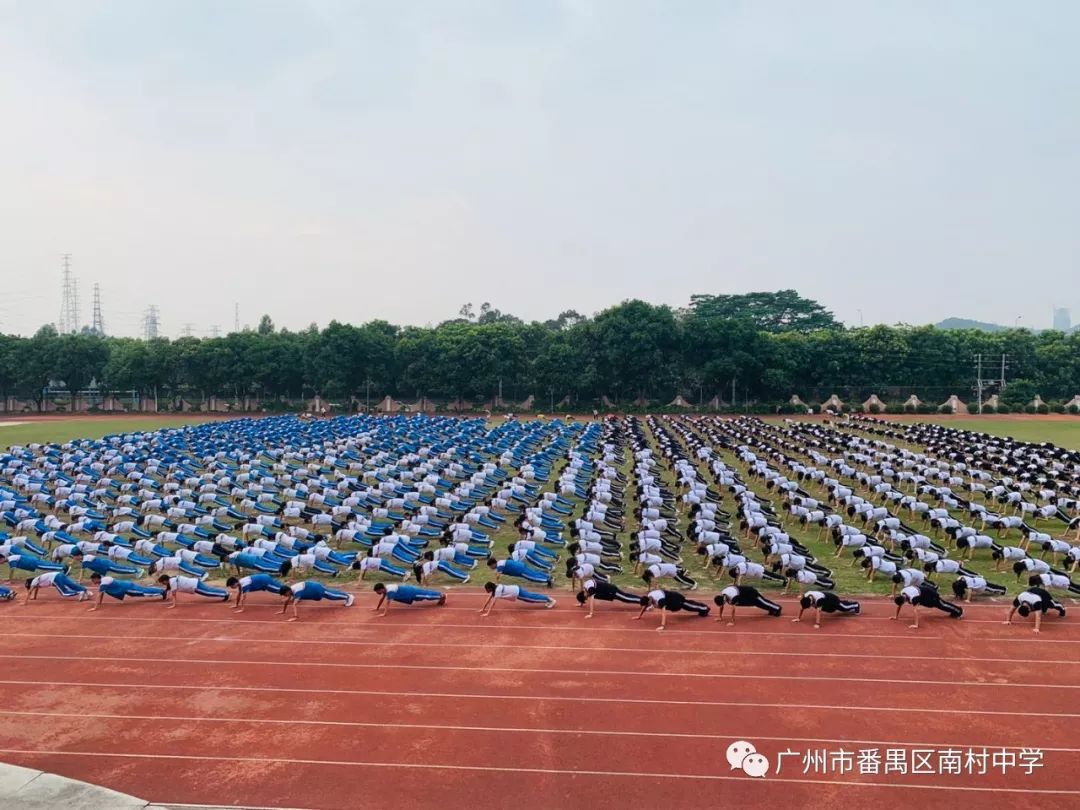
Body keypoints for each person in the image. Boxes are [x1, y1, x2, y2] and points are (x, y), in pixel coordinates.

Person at [892, 584, 963, 628]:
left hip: (931, 593)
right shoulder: (902, 592)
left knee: (941, 604)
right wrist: (896, 616)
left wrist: (916, 625)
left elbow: (915, 611)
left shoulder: (913, 597)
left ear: (904, 600)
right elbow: (899, 605)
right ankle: (954, 611)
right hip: (923, 595)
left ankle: (959, 611)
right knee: (932, 605)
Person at [634, 589, 710, 630]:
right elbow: (645, 605)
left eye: (648, 605)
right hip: (670, 601)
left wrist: (662, 626)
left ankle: (705, 608)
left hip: (676, 599)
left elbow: (663, 613)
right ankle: (703, 609)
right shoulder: (649, 596)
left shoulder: (660, 600)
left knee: (689, 606)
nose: (647, 606)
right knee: (689, 605)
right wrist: (639, 616)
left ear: (649, 601)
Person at [279, 580, 354, 621]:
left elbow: (294, 604)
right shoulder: (291, 590)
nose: (285, 596)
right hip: (312, 589)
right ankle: (347, 596)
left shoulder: (297, 591)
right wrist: (283, 611)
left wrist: (295, 616)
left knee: (331, 595)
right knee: (330, 594)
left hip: (315, 588)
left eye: (285, 594)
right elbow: (287, 600)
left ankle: (348, 596)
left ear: (287, 591)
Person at [87, 573, 165, 610]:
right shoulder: (104, 581)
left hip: (126, 587)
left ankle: (162, 591)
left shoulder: (104, 582)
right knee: (142, 592)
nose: (93, 581)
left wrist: (95, 607)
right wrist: (99, 603)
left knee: (143, 592)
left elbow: (99, 594)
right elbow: (102, 593)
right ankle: (160, 591)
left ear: (97, 578)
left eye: (93, 579)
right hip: (125, 587)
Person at [713, 584, 782, 625]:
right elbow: (721, 606)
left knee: (762, 602)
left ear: (724, 600)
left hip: (751, 592)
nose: (723, 605)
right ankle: (771, 609)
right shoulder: (723, 594)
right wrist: (720, 617)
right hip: (743, 595)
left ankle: (778, 608)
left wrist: (732, 621)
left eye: (723, 603)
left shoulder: (733, 596)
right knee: (757, 604)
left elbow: (733, 609)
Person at [479, 581, 556, 615]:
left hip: (517, 592)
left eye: (487, 589)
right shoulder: (495, 588)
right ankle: (547, 599)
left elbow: (493, 602)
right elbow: (489, 599)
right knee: (531, 598)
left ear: (490, 588)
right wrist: (483, 609)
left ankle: (550, 600)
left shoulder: (498, 590)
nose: (487, 591)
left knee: (531, 598)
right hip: (516, 591)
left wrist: (487, 613)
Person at [576, 579, 643, 618]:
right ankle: (642, 600)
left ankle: (643, 601)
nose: (587, 597)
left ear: (584, 594)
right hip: (608, 591)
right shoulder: (585, 586)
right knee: (625, 597)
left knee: (625, 598)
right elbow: (583, 595)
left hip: (611, 591)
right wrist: (581, 603)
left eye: (586, 598)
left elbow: (591, 600)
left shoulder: (590, 589)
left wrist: (591, 614)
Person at [792, 591, 861, 628]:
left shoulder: (819, 599)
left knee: (843, 608)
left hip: (832, 599)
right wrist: (798, 618)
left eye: (810, 606)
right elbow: (802, 608)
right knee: (831, 611)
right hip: (825, 601)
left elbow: (818, 611)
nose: (810, 607)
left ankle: (856, 604)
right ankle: (845, 602)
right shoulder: (805, 597)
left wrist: (817, 624)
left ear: (810, 601)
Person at [372, 582, 446, 615]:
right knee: (423, 596)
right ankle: (439, 596)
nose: (377, 593)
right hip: (408, 594)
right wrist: (377, 608)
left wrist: (384, 614)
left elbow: (387, 603)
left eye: (377, 591)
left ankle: (441, 595)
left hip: (410, 593)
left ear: (381, 589)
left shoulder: (390, 590)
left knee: (426, 596)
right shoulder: (386, 589)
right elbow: (382, 599)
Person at [157, 574, 229, 607]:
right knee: (208, 591)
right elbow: (169, 590)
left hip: (193, 585)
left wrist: (173, 605)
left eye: (163, 582)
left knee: (208, 592)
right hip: (194, 584)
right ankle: (224, 593)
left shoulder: (172, 581)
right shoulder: (172, 579)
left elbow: (174, 594)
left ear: (165, 580)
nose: (163, 584)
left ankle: (225, 594)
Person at [23, 570, 89, 602]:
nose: (31, 587)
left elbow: (30, 592)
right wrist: (34, 597)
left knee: (64, 593)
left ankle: (80, 592)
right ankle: (85, 591)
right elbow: (36, 589)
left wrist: (25, 602)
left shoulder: (34, 582)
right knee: (71, 585)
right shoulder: (37, 580)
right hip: (59, 574)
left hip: (55, 578)